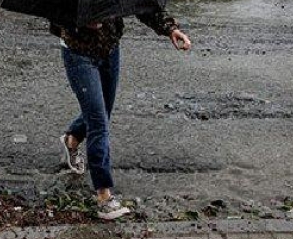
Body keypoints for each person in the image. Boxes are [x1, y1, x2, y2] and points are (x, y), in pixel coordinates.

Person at [52, 12, 191, 220]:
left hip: (110, 49)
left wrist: (170, 28)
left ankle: (72, 139)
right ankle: (104, 196)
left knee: (102, 112)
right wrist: (79, 21)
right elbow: (53, 15)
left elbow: (140, 0)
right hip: (77, 52)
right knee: (98, 123)